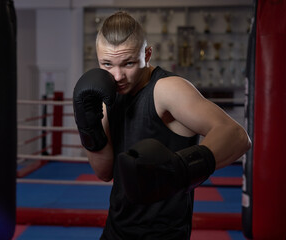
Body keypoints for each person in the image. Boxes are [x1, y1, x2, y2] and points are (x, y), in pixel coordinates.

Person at [73, 11, 251, 240]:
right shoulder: (106, 96)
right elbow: (104, 172)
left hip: (164, 234)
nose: (117, 76)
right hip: (116, 230)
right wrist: (88, 126)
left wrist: (179, 169)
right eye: (107, 64)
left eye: (128, 63)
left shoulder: (167, 90)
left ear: (147, 55)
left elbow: (237, 135)